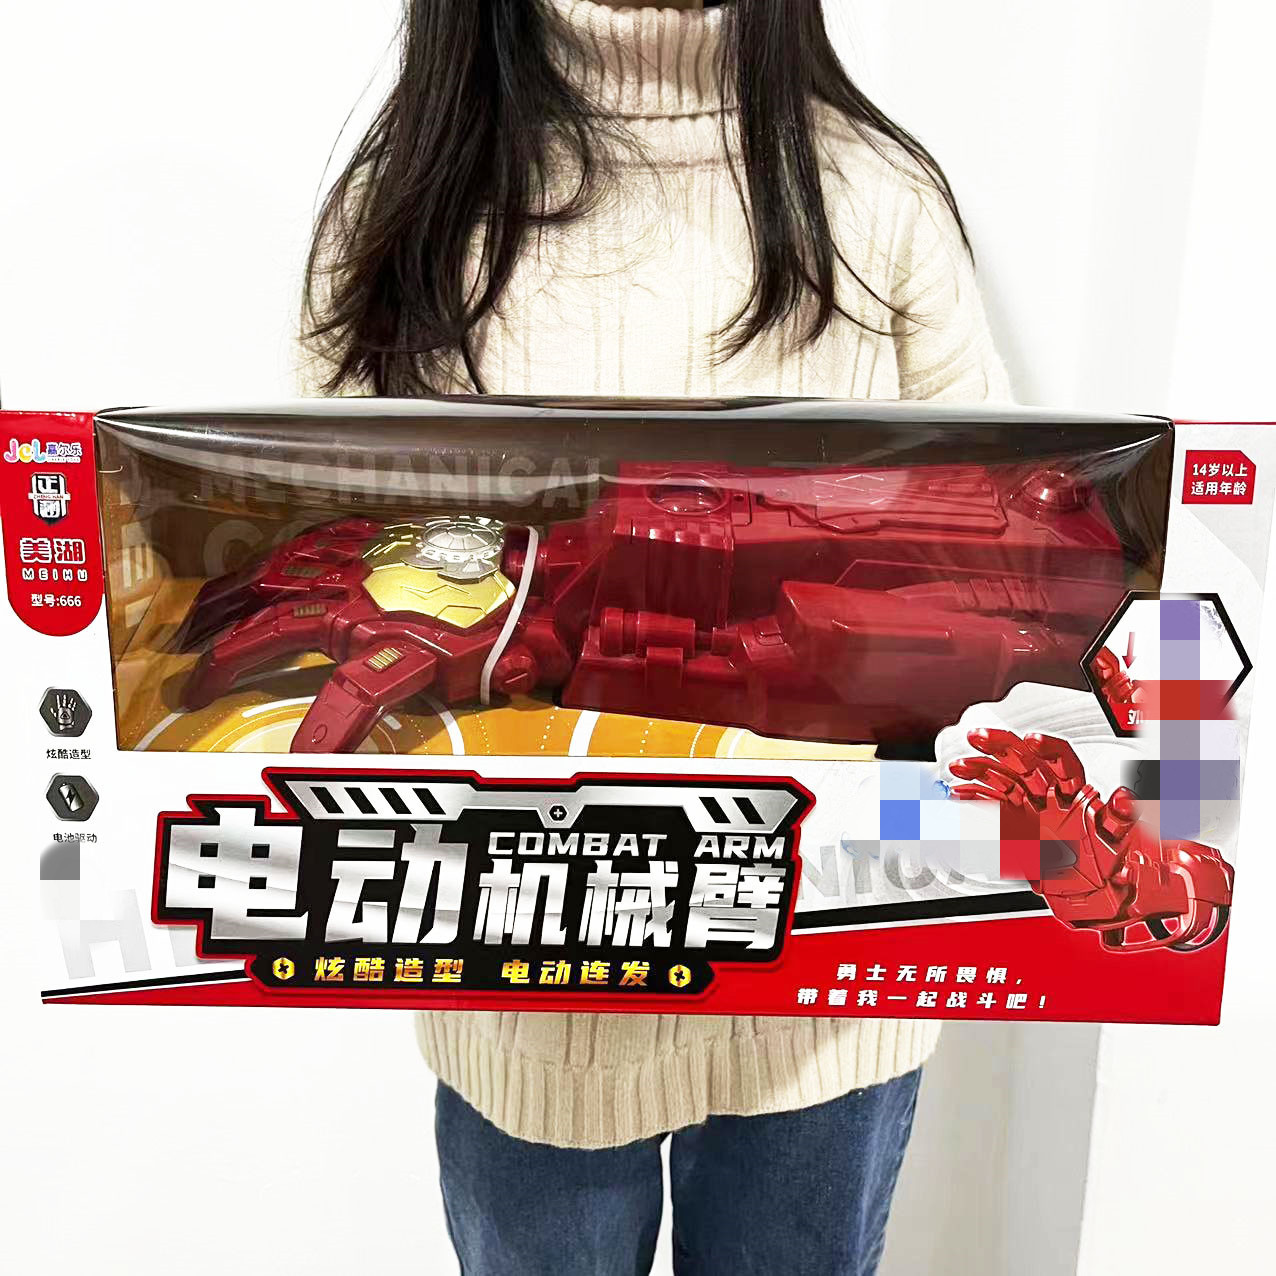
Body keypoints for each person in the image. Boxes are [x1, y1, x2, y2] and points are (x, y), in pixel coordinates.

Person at [304, 2, 1009, 1272]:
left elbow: (988, 571)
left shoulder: (877, 197)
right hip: (519, 978)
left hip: (822, 978)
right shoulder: (408, 206)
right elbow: (323, 549)